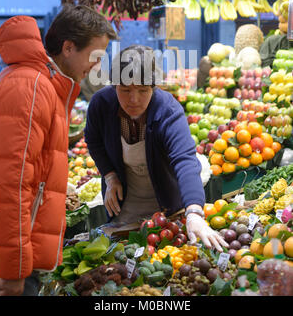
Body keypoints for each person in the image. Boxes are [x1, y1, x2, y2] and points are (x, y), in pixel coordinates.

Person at [0, 4, 117, 296]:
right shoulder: (30, 86)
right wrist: (13, 272)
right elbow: (11, 184)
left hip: (25, 249)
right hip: (14, 260)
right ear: (69, 47)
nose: (97, 67)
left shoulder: (46, 85)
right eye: (95, 56)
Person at [85, 45, 228, 252]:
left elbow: (185, 160)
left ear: (154, 87)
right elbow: (93, 140)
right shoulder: (102, 104)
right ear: (114, 85)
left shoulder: (168, 111)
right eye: (125, 90)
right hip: (126, 204)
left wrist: (194, 213)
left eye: (143, 90)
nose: (133, 99)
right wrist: (110, 175)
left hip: (167, 204)